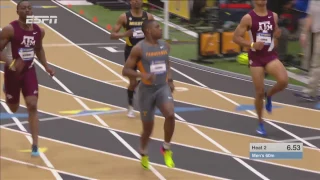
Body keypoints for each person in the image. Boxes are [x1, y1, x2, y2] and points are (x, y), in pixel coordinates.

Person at [0, 0, 55, 156]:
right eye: (23, 8)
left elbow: (39, 49)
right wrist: (10, 62)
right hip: (12, 72)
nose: (27, 10)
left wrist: (46, 66)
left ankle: (35, 145)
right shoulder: (10, 30)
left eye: (29, 8)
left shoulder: (39, 31)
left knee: (32, 104)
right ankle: (7, 90)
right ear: (17, 12)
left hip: (29, 71)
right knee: (13, 108)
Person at [122, 20, 175, 169]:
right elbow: (125, 70)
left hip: (162, 87)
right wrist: (142, 76)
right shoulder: (139, 49)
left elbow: (167, 62)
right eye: (157, 27)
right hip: (146, 91)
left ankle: (166, 148)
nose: (161, 29)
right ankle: (144, 152)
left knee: (170, 114)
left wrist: (169, 79)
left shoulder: (165, 46)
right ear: (149, 31)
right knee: (148, 129)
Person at [233, 0, 288, 136]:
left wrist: (277, 35)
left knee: (283, 81)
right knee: (258, 92)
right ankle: (260, 122)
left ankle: (269, 95)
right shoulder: (248, 18)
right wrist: (252, 44)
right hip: (256, 58)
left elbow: (275, 32)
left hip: (270, 55)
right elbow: (236, 37)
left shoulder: (273, 16)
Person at [110, 0, 154, 118]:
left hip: (145, 52)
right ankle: (130, 107)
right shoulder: (124, 17)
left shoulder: (148, 16)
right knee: (133, 83)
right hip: (131, 53)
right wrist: (125, 35)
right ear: (130, 2)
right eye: (134, 0)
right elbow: (112, 35)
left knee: (151, 78)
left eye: (138, 0)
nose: (136, 2)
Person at [294, 0, 320, 101]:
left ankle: (310, 92)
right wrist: (304, 33)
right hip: (315, 32)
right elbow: (310, 15)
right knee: (314, 61)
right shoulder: (313, 1)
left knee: (316, 62)